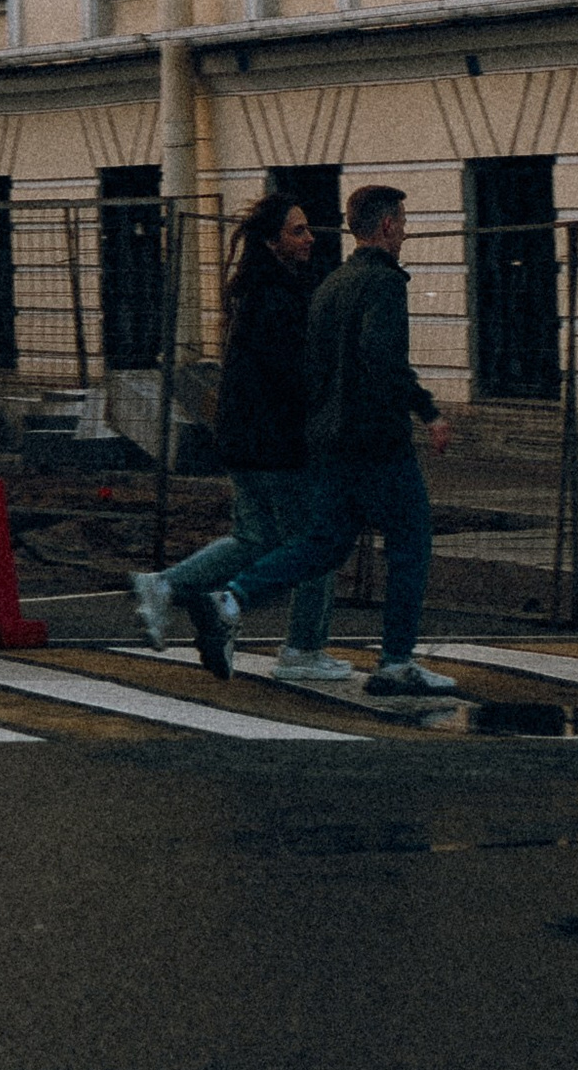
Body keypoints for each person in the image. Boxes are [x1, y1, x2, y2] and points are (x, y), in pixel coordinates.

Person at [191, 182, 462, 702]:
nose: (404, 231)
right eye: (401, 222)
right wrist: (426, 411)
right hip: (376, 441)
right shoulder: (384, 284)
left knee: (322, 545)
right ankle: (397, 663)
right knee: (411, 545)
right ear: (385, 226)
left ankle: (230, 600)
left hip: (328, 441)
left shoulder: (332, 284)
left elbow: (313, 366)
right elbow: (381, 359)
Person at [128, 192, 355, 687]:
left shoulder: (258, 289)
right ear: (273, 241)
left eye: (308, 228)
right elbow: (295, 376)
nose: (310, 237)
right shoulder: (278, 296)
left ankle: (165, 585)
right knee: (318, 542)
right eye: (298, 230)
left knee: (255, 538)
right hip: (277, 444)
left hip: (244, 440)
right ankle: (303, 648)